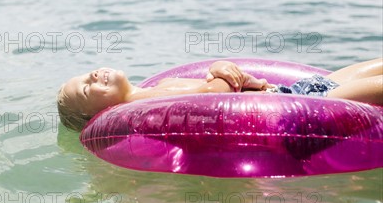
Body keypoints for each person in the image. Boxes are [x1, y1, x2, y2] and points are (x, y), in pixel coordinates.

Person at [56, 58, 383, 131]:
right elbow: (214, 99)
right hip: (304, 108)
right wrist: (221, 70)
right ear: (95, 115)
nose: (94, 75)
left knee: (368, 67)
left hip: (292, 92)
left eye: (87, 74)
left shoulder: (150, 89)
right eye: (87, 88)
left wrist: (237, 77)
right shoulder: (143, 107)